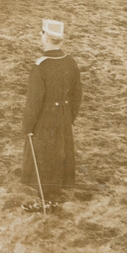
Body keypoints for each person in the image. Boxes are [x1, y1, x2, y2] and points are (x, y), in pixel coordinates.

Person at [21, 19, 83, 212]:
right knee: (60, 152)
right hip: (64, 117)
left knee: (44, 154)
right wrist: (69, 117)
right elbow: (77, 95)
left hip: (45, 120)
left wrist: (28, 127)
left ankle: (45, 197)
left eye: (42, 33)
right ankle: (57, 190)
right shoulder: (71, 62)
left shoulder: (41, 66)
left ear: (46, 38)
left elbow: (34, 102)